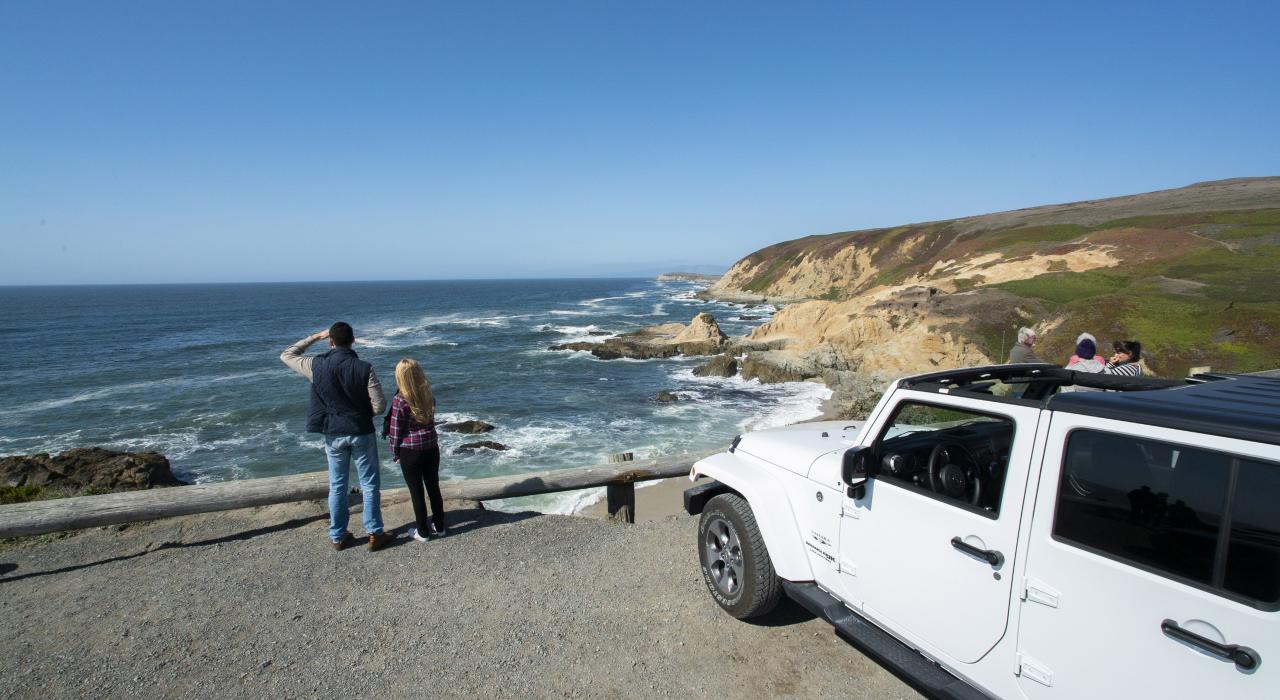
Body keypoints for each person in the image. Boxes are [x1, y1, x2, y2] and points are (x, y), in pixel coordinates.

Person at [280, 323, 392, 551]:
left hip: (333, 432)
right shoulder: (364, 368)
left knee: (338, 485)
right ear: (353, 340)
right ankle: (374, 533)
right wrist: (363, 414)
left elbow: (287, 355)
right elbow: (380, 405)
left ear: (330, 342)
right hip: (361, 430)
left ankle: (338, 536)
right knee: (369, 484)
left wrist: (315, 336)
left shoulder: (316, 365)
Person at [388, 358, 446, 542]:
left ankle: (422, 531)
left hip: (411, 450)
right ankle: (440, 526)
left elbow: (395, 431)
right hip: (431, 446)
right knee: (433, 487)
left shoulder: (400, 400)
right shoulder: (428, 394)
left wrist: (395, 453)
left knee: (416, 491)